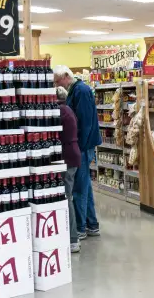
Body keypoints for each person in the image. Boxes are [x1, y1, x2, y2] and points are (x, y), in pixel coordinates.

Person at [53, 66, 102, 240]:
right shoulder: (76, 90)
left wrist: (78, 147)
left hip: (84, 146)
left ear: (67, 76)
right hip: (82, 146)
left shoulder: (81, 90)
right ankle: (91, 224)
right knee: (85, 186)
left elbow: (86, 123)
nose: (59, 85)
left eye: (59, 82)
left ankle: (80, 228)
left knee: (79, 189)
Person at [56, 86, 82, 253]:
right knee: (68, 196)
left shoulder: (61, 111)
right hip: (72, 154)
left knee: (67, 197)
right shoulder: (68, 109)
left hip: (67, 157)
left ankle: (73, 239)